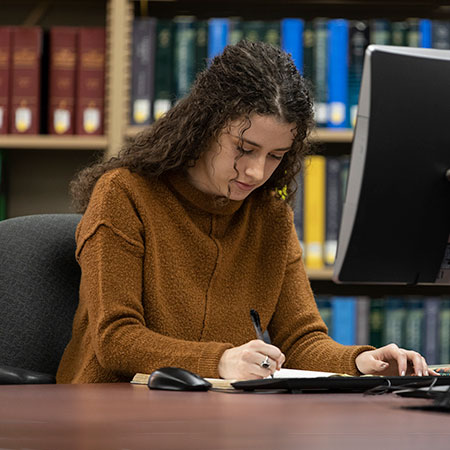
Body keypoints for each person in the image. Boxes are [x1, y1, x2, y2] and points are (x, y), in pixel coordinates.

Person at [56, 40, 435, 384]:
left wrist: (360, 362)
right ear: (205, 126)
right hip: (110, 408)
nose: (257, 172)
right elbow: (116, 339)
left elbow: (302, 340)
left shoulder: (270, 217)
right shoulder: (124, 194)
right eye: (244, 148)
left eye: (275, 156)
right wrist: (219, 360)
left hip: (213, 416)